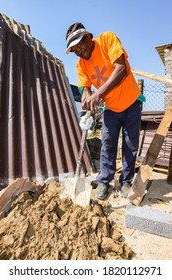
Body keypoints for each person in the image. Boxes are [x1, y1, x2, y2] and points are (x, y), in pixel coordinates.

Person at [65, 22, 145, 200]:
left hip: (131, 102)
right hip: (111, 108)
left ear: (88, 37)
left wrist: (98, 94)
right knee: (107, 144)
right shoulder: (81, 64)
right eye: (73, 49)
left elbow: (121, 69)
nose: (78, 51)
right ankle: (104, 181)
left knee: (130, 145)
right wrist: (86, 96)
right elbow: (84, 86)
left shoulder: (107, 40)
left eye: (79, 45)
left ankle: (125, 181)